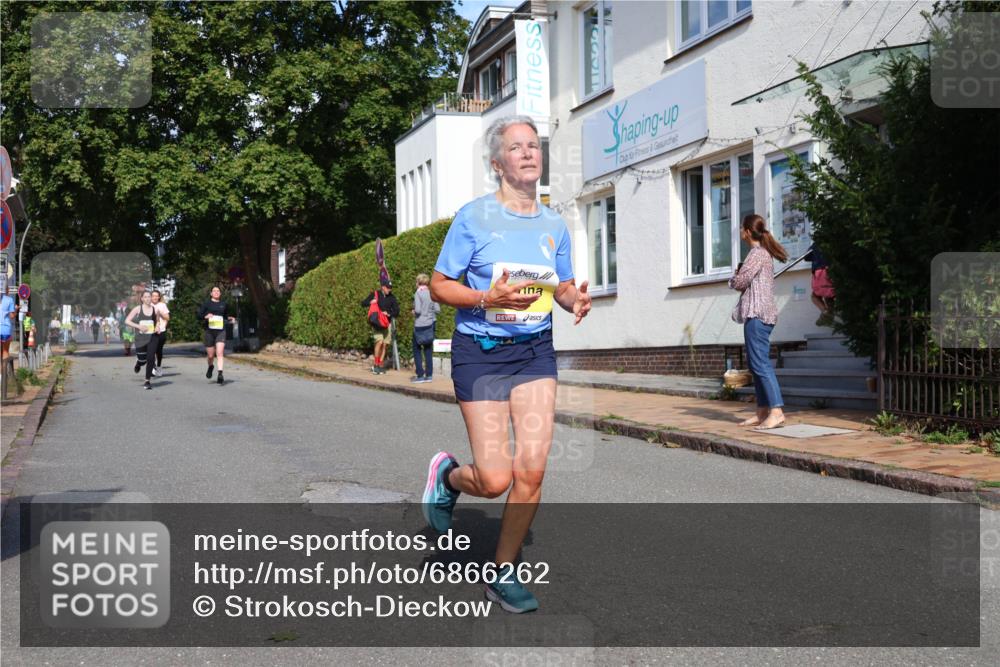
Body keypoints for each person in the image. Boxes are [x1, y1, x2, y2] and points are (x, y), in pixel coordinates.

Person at [423, 115, 591, 614]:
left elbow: (558, 286)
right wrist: (482, 297)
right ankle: (449, 476)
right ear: (498, 164)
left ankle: (502, 572)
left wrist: (572, 300)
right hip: (481, 352)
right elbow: (438, 285)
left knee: (532, 471)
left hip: (535, 353)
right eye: (516, 147)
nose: (528, 152)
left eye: (533, 146)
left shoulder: (553, 223)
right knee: (495, 480)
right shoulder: (473, 218)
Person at [730, 214, 788, 430]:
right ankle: (763, 411)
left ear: (747, 231)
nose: (739, 231)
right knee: (756, 364)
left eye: (741, 228)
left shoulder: (756, 254)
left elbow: (740, 281)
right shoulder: (762, 254)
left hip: (757, 315)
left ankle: (776, 411)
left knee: (760, 364)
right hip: (762, 314)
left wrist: (733, 278)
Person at [198, 286, 236, 385]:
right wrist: (206, 316)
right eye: (214, 291)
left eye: (218, 291)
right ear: (211, 293)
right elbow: (199, 315)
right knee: (210, 355)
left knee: (219, 353)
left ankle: (220, 374)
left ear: (220, 293)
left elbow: (225, 316)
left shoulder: (224, 304)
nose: (216, 292)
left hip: (221, 331)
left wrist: (230, 318)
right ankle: (210, 366)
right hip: (209, 331)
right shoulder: (206, 304)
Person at [361, 278, 400, 374]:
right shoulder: (375, 294)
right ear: (383, 287)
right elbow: (363, 303)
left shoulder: (392, 297)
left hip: (387, 324)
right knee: (379, 342)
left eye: (390, 288)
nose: (389, 290)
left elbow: (397, 311)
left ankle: (380, 364)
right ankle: (375, 365)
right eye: (388, 288)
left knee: (385, 344)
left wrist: (389, 314)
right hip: (377, 323)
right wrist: (370, 302)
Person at [124, 291, 159, 390]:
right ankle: (139, 363)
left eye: (149, 297)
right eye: (146, 297)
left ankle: (147, 381)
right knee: (143, 360)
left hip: (152, 337)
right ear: (142, 299)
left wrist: (157, 327)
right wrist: (139, 326)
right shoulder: (137, 309)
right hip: (140, 338)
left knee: (151, 358)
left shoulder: (155, 310)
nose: (148, 299)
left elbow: (157, 322)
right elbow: (127, 321)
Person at [411, 273, 440, 383]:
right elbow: (437, 309)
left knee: (417, 349)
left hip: (420, 324)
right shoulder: (432, 293)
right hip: (431, 323)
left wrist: (414, 312)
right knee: (428, 349)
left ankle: (420, 376)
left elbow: (418, 310)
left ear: (418, 282)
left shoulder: (418, 293)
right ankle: (429, 375)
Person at [807, 245, 836, 327]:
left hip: (820, 273)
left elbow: (806, 256)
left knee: (815, 296)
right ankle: (830, 317)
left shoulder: (816, 245)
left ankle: (825, 312)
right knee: (829, 295)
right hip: (832, 271)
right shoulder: (833, 241)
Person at [151, 290, 170, 375]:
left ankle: (158, 366)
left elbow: (168, 318)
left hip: (161, 330)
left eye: (156, 296)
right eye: (153, 296)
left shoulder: (162, 305)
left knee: (158, 350)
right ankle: (152, 367)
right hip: (150, 331)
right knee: (151, 350)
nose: (154, 297)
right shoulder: (147, 305)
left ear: (159, 297)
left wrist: (160, 314)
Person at [0, 293, 15, 361]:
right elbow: (12, 316)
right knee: (5, 351)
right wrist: (16, 310)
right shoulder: (9, 299)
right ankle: (4, 371)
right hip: (5, 329)